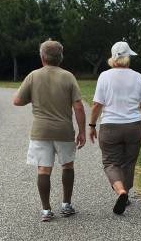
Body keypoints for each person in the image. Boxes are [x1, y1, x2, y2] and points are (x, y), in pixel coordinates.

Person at [13, 40, 86, 222]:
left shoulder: (33, 76)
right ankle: (66, 204)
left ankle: (46, 210)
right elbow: (78, 106)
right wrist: (82, 131)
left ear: (42, 56)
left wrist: (35, 96)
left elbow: (17, 101)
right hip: (64, 130)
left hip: (41, 131)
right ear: (60, 57)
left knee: (44, 170)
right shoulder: (68, 76)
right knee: (67, 165)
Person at [88, 41, 141, 215]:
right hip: (134, 126)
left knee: (111, 162)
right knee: (129, 162)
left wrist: (92, 125)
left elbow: (96, 104)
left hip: (110, 127)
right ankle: (127, 195)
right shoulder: (137, 76)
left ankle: (120, 191)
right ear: (127, 57)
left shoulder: (104, 76)